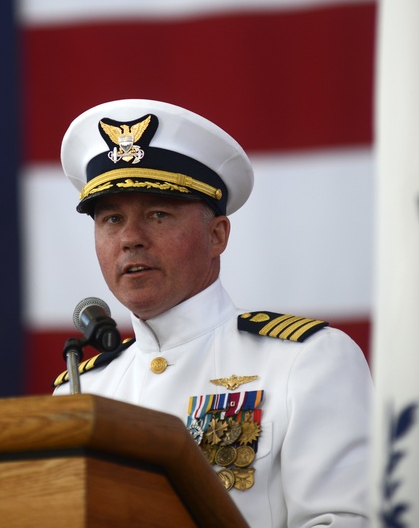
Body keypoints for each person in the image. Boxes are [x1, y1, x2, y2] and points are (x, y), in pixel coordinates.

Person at [53, 99, 373, 527]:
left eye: (158, 214)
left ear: (217, 235)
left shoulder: (306, 361)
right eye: (111, 219)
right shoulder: (81, 389)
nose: (130, 238)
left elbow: (350, 521)